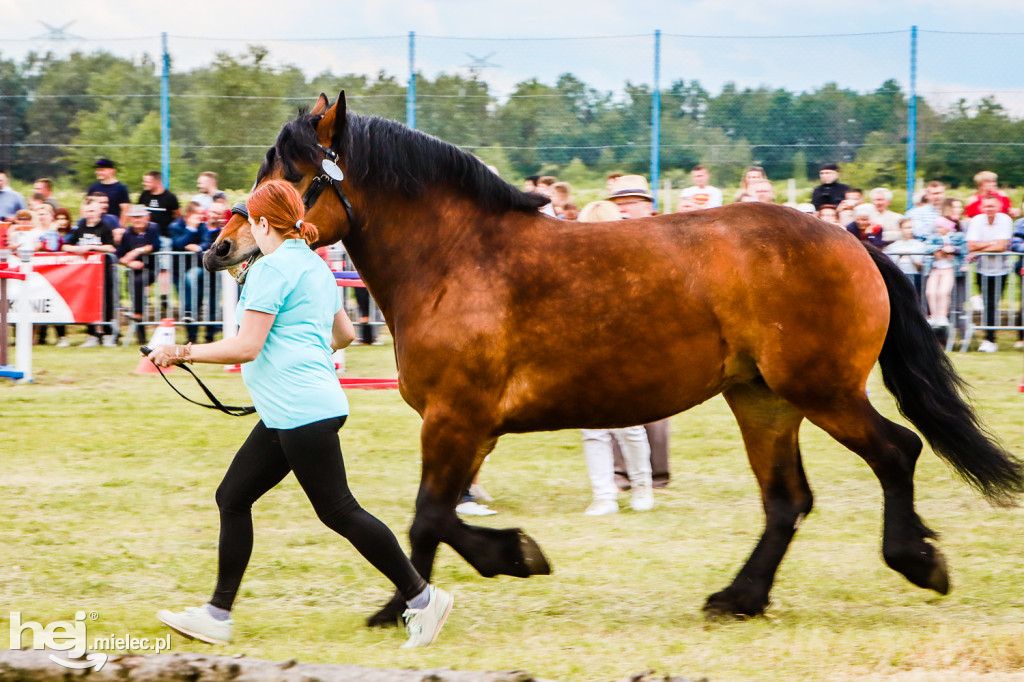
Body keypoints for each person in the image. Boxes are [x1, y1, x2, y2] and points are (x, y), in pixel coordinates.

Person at [150, 180, 452, 649]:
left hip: (298, 411)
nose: (248, 228)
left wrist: (181, 351)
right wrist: (300, 356)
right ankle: (217, 614)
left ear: (263, 223)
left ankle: (422, 597)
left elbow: (247, 347)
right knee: (232, 496)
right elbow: (346, 334)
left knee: (340, 511)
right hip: (301, 407)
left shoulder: (270, 271)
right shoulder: (315, 266)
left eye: (250, 220)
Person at [575, 200, 655, 516]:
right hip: (584, 353)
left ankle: (642, 488)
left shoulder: (632, 265)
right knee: (592, 430)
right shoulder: (576, 266)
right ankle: (604, 495)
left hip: (625, 353)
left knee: (630, 426)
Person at [604, 175, 671, 488]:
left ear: (649, 206)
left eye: (630, 202)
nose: (624, 209)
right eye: (618, 203)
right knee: (616, 400)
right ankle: (619, 473)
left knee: (658, 403)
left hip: (659, 325)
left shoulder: (665, 236)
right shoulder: (606, 236)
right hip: (617, 327)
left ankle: (657, 474)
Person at [62, 198, 118, 347]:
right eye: (88, 211)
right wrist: (77, 249)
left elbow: (111, 248)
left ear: (100, 211)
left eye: (93, 211)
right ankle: (92, 334)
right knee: (88, 302)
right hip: (86, 274)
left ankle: (107, 333)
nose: (90, 214)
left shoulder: (105, 228)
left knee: (106, 302)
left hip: (104, 271)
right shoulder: (80, 227)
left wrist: (92, 247)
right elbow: (66, 246)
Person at [966, 195, 1013, 353]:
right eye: (986, 206)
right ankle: (989, 338)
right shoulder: (977, 221)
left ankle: (990, 338)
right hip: (982, 269)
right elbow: (971, 245)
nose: (989, 209)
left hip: (1001, 269)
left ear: (998, 206)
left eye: (992, 206)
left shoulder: (1005, 220)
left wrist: (980, 249)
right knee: (987, 303)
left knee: (994, 303)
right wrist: (990, 244)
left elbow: (1001, 246)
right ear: (982, 207)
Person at [117, 205, 161, 344]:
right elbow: (119, 256)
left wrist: (135, 252)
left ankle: (137, 314)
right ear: (130, 218)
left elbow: (153, 246)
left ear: (147, 217)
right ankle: (140, 336)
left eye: (140, 216)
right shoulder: (127, 233)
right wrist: (130, 263)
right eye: (135, 217)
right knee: (135, 291)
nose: (137, 220)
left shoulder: (153, 228)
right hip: (133, 271)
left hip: (151, 268)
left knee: (138, 283)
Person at [924, 214, 966, 329]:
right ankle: (933, 315)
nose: (938, 229)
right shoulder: (934, 237)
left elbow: (964, 249)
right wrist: (939, 249)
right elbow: (926, 247)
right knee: (930, 291)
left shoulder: (958, 237)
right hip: (935, 268)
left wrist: (954, 249)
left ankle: (942, 315)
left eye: (940, 227)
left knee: (943, 291)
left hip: (950, 268)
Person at [883, 217, 929, 298]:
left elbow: (920, 267)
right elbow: (891, 267)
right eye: (907, 228)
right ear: (900, 229)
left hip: (914, 276)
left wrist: (911, 256)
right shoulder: (893, 246)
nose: (910, 230)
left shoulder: (920, 245)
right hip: (898, 277)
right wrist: (899, 257)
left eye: (911, 227)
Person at [87, 159, 131, 227]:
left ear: (112, 171)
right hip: (95, 225)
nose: (98, 172)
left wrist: (120, 227)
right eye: (97, 170)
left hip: (112, 226)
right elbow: (86, 206)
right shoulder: (94, 187)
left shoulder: (120, 188)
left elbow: (125, 210)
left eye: (102, 170)